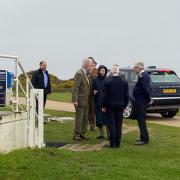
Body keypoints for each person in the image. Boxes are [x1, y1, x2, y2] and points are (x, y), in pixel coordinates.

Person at [101, 65, 129, 148]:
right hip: (120, 105)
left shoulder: (107, 81)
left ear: (111, 72)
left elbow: (104, 95)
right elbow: (126, 95)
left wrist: (103, 105)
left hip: (110, 105)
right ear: (118, 71)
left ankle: (113, 143)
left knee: (112, 124)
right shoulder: (124, 81)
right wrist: (125, 105)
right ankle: (118, 143)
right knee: (119, 125)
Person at [72, 58, 93, 141]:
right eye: (91, 65)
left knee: (85, 118)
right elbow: (75, 88)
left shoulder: (86, 74)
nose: (92, 67)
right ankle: (77, 134)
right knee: (79, 118)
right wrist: (75, 100)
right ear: (87, 65)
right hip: (80, 101)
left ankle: (82, 133)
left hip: (86, 101)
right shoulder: (79, 73)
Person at [133, 62, 152, 145]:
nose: (134, 69)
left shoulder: (143, 76)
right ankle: (142, 137)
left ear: (139, 67)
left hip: (142, 101)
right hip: (140, 101)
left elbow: (145, 89)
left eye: (135, 67)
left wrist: (149, 99)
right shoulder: (142, 75)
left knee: (141, 120)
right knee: (140, 120)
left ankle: (144, 139)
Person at [92, 65, 109, 139]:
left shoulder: (108, 79)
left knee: (107, 120)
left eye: (104, 70)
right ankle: (101, 134)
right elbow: (92, 89)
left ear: (105, 72)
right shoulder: (95, 79)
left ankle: (109, 135)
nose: (102, 71)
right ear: (99, 71)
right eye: (101, 70)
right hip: (97, 102)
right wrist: (93, 92)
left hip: (106, 103)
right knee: (99, 119)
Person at [88, 57, 98, 131]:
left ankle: (93, 125)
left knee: (93, 111)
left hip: (93, 94)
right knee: (87, 111)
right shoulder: (86, 70)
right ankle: (86, 125)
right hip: (86, 93)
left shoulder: (96, 71)